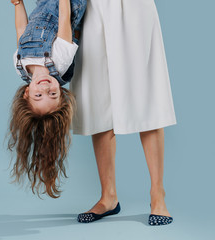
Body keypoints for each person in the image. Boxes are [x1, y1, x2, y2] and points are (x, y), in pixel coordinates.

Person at [72, 0, 176, 226]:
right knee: (95, 98)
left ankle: (158, 195)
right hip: (89, 6)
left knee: (145, 96)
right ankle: (108, 196)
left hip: (133, 6)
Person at [7, 0, 87, 198]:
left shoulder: (20, 65)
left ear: (26, 93)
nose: (45, 87)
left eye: (38, 95)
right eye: (53, 93)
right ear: (60, 92)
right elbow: (64, 19)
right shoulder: (59, 62)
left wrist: (18, 5)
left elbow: (21, 29)